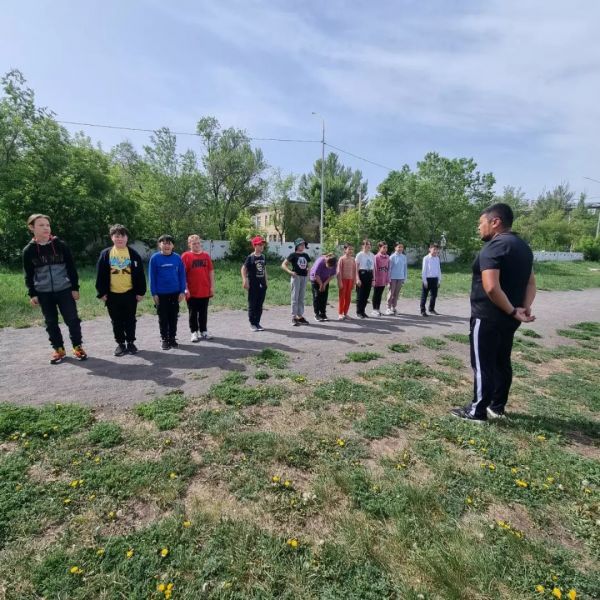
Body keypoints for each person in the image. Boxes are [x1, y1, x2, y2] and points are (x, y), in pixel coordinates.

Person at [451, 203, 536, 422]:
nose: (479, 228)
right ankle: (496, 407)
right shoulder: (523, 248)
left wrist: (512, 310)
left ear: (495, 222)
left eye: (481, 223)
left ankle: (477, 411)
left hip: (488, 316)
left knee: (483, 364)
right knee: (501, 362)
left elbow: (491, 287)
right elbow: (531, 283)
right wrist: (523, 308)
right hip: (510, 319)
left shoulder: (494, 246)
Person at [23, 214, 88, 364]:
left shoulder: (61, 245)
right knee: (51, 322)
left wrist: (75, 288)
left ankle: (77, 347)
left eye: (47, 225)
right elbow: (28, 275)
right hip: (43, 293)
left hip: (64, 290)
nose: (46, 228)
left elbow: (71, 268)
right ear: (32, 228)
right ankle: (58, 349)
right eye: (41, 225)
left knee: (72, 320)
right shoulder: (28, 250)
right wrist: (32, 294)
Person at [95, 224, 146, 356]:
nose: (120, 239)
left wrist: (141, 292)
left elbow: (140, 275)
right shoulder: (106, 254)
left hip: (130, 294)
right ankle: (120, 344)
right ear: (112, 237)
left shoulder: (133, 254)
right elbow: (100, 275)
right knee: (116, 321)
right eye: (116, 236)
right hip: (112, 295)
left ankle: (131, 342)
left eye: (122, 236)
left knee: (130, 319)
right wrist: (101, 292)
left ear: (127, 238)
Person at [149, 235, 186, 350]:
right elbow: (152, 277)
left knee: (173, 317)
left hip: (175, 293)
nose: (167, 245)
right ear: (159, 245)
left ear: (173, 245)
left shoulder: (177, 258)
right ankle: (165, 339)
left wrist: (182, 291)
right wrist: (154, 293)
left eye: (169, 243)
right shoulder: (155, 258)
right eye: (164, 243)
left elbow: (182, 275)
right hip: (161, 294)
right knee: (163, 318)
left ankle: (172, 338)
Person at [182, 235, 214, 342]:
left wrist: (212, 286)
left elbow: (211, 271)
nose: (196, 245)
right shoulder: (186, 256)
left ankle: (203, 331)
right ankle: (194, 332)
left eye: (198, 243)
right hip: (192, 291)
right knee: (193, 313)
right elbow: (182, 274)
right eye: (194, 243)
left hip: (204, 289)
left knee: (203, 312)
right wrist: (185, 288)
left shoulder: (206, 256)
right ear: (189, 245)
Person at [282, 238, 311, 327]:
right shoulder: (293, 255)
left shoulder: (306, 255)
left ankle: (300, 316)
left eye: (303, 245)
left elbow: (308, 265)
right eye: (301, 244)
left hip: (304, 277)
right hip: (296, 277)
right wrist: (290, 272)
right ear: (297, 246)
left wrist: (308, 272)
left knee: (301, 297)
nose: (303, 246)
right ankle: (294, 317)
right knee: (295, 297)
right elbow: (283, 265)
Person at [241, 236, 268, 332]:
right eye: (260, 244)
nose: (262, 246)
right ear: (255, 246)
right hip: (253, 284)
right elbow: (243, 269)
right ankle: (252, 323)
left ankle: (257, 322)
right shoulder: (250, 257)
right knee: (252, 304)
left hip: (262, 284)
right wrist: (245, 280)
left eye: (262, 244)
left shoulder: (263, 256)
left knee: (260, 304)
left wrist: (266, 281)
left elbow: (264, 269)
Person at [309, 253, 337, 321]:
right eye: (329, 266)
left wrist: (324, 284)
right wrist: (321, 284)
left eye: (331, 267)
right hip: (315, 279)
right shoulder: (320, 262)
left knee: (324, 297)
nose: (330, 268)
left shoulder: (335, 264)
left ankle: (323, 313)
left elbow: (332, 275)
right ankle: (317, 314)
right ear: (326, 262)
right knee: (317, 296)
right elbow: (316, 275)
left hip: (325, 280)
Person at [355, 239, 375, 318]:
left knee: (366, 295)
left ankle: (363, 311)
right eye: (366, 244)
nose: (368, 246)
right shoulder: (359, 255)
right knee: (360, 295)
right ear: (363, 246)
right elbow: (356, 268)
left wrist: (373, 279)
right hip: (362, 274)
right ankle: (358, 312)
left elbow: (373, 268)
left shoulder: (372, 255)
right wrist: (357, 278)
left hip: (369, 274)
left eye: (369, 244)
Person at [420, 243, 442, 316]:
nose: (435, 251)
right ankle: (423, 310)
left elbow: (438, 270)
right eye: (434, 249)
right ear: (430, 249)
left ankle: (431, 309)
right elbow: (424, 270)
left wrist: (439, 280)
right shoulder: (426, 258)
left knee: (434, 295)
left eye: (437, 249)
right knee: (424, 295)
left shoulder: (437, 258)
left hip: (435, 279)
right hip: (427, 279)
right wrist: (425, 281)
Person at [386, 242, 407, 315]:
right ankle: (388, 308)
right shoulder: (392, 257)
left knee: (396, 294)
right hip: (392, 278)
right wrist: (388, 280)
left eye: (402, 247)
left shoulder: (404, 257)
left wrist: (404, 278)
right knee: (391, 293)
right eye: (399, 247)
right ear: (395, 248)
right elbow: (389, 269)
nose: (400, 248)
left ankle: (393, 307)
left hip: (400, 278)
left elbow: (405, 268)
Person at [336, 243, 356, 321]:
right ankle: (340, 313)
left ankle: (345, 313)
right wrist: (339, 281)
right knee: (342, 297)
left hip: (350, 280)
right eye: (349, 249)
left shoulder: (353, 259)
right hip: (343, 280)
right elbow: (338, 271)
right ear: (345, 250)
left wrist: (354, 282)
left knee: (348, 297)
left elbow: (354, 271)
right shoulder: (342, 259)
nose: (351, 251)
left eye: (352, 249)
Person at [371, 241, 390, 317]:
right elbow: (374, 269)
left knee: (380, 295)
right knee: (376, 294)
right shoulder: (376, 257)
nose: (385, 249)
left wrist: (387, 279)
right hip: (377, 279)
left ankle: (378, 309)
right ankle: (374, 310)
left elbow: (388, 269)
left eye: (386, 247)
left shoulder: (387, 257)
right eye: (384, 247)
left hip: (383, 279)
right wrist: (374, 279)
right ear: (379, 248)